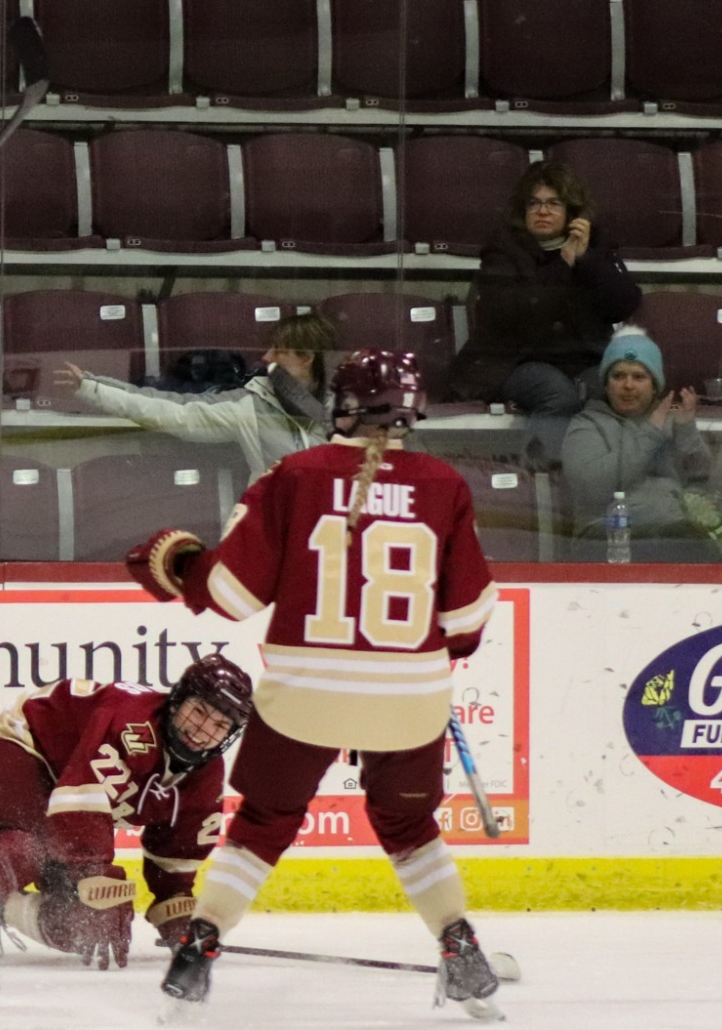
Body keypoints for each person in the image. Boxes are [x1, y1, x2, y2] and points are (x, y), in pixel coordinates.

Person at [125, 349, 505, 1021]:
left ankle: (201, 945)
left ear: (343, 405)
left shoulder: (295, 474)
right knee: (410, 825)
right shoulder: (446, 484)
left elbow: (232, 595)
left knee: (265, 821)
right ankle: (459, 942)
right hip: (409, 698)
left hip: (305, 694)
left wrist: (180, 559)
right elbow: (469, 621)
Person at [0, 656, 254, 988]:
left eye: (220, 725)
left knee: (90, 924)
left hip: (66, 796)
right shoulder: (132, 725)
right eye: (199, 712)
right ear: (178, 700)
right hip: (23, 750)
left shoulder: (205, 775)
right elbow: (81, 798)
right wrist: (93, 870)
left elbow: (176, 854)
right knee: (24, 851)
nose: (204, 730)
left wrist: (177, 914)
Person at [449, 162, 641, 466]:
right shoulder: (503, 251)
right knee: (557, 395)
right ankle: (540, 484)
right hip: (515, 360)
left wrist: (588, 262)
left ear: (571, 211)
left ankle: (607, 479)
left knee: (615, 389)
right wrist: (564, 267)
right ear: (522, 210)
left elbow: (624, 303)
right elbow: (506, 312)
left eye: (554, 203)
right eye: (534, 203)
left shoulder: (595, 246)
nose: (543, 211)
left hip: (582, 358)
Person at [561, 329, 722, 563]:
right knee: (683, 545)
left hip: (672, 527)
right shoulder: (586, 425)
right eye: (618, 376)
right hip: (604, 535)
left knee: (693, 541)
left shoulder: (670, 419)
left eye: (639, 377)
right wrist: (651, 433)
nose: (628, 385)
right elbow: (594, 488)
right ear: (606, 385)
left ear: (655, 385)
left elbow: (700, 482)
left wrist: (686, 429)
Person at [54, 315, 339, 482]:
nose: (266, 357)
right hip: (275, 537)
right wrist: (92, 387)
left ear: (305, 359)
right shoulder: (248, 405)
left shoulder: (355, 409)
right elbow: (171, 410)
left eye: (279, 351)